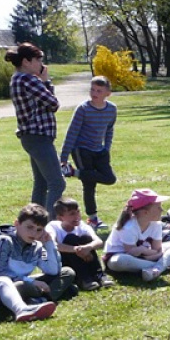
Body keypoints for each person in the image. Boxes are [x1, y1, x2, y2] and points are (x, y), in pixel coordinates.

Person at [6, 43, 65, 218]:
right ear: (26, 61)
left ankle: (33, 224)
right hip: (39, 137)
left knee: (41, 183)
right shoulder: (29, 79)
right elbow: (53, 104)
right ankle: (47, 227)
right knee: (57, 183)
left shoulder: (16, 79)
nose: (41, 63)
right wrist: (46, 81)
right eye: (38, 59)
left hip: (30, 137)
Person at [0, 203, 76, 302]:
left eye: (39, 230)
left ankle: (40, 300)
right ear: (17, 224)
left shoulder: (38, 247)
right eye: (29, 227)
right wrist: (32, 282)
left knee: (67, 272)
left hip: (24, 282)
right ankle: (48, 296)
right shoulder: (4, 241)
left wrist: (49, 244)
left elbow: (52, 271)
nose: (34, 233)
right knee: (21, 286)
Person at [58, 75, 118, 229]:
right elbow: (72, 132)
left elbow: (109, 130)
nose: (94, 93)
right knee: (89, 184)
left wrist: (107, 147)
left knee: (110, 178)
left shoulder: (111, 109)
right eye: (92, 89)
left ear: (107, 93)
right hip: (81, 149)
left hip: (99, 149)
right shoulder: (83, 109)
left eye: (99, 90)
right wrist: (63, 157)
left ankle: (73, 172)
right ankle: (93, 218)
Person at [104, 189, 170, 282]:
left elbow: (157, 249)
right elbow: (132, 253)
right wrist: (148, 252)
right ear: (145, 212)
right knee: (119, 261)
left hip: (146, 256)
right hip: (125, 257)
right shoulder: (129, 227)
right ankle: (166, 265)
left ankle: (156, 269)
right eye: (158, 207)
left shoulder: (156, 224)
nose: (162, 210)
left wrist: (151, 253)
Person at [47, 197, 114, 291]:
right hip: (65, 263)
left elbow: (98, 241)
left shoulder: (81, 225)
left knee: (86, 238)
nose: (77, 216)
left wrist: (87, 248)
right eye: (72, 214)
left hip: (84, 257)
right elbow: (53, 244)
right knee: (70, 238)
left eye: (78, 212)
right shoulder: (53, 226)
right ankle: (84, 279)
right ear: (60, 217)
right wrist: (77, 249)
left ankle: (99, 275)